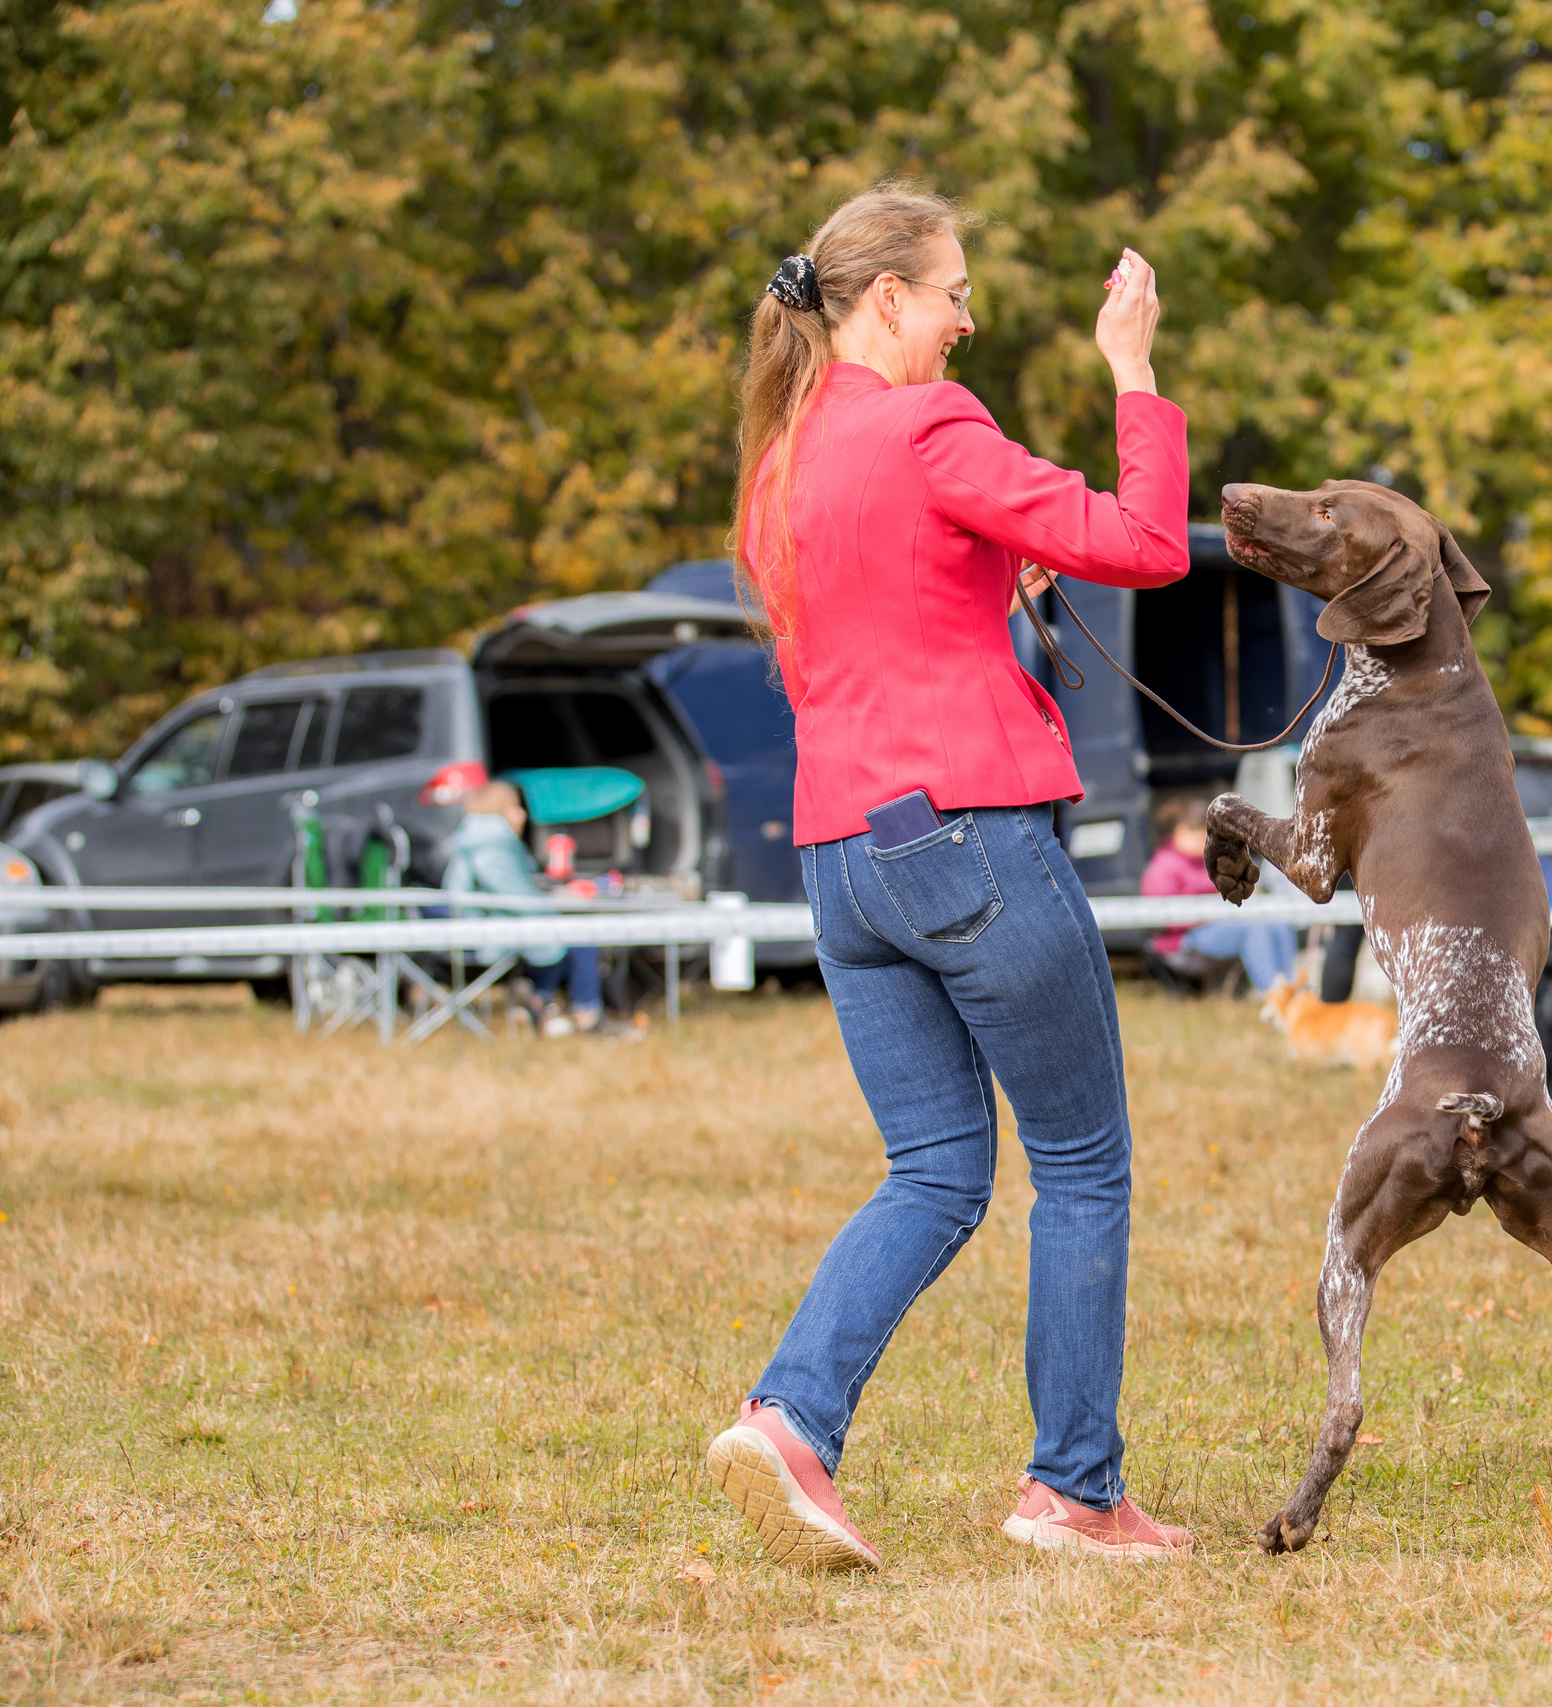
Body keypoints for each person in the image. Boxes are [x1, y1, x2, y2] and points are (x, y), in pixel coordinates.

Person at [700, 182, 1194, 1569]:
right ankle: (1074, 1490)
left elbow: (851, 644)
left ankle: (791, 1415)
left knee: (931, 1168)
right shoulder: (930, 423)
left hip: (838, 854)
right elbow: (1149, 544)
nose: (969, 319)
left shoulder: (778, 462)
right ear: (889, 300)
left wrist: (991, 588)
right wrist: (1134, 369)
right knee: (1083, 1161)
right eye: (957, 292)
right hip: (966, 834)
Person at [442, 780, 604, 1038]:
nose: (523, 815)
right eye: (515, 808)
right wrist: (558, 904)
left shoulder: (474, 839)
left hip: (481, 929)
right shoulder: (493, 845)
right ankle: (585, 1015)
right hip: (487, 937)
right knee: (580, 937)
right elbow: (518, 899)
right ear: (496, 812)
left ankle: (540, 1003)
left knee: (563, 938)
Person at [1140, 798, 1296, 992]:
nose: (1208, 842)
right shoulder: (1163, 867)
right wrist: (1216, 910)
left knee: (1279, 924)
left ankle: (1291, 988)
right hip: (1182, 941)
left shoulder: (1208, 861)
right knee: (1255, 929)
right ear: (1181, 832)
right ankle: (1273, 995)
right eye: (1202, 836)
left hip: (1219, 927)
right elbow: (1160, 917)